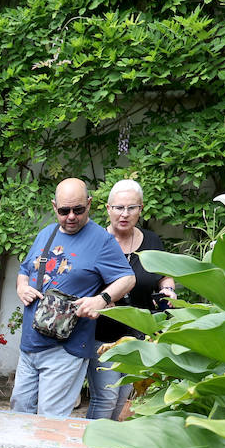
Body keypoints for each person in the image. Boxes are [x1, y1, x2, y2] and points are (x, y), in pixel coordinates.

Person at [9, 179, 135, 418]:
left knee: (50, 422)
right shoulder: (47, 232)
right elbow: (25, 269)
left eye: (78, 210)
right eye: (64, 211)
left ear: (89, 204)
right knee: (18, 415)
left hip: (66, 348)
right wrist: (22, 286)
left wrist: (101, 299)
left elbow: (127, 279)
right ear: (54, 206)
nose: (71, 217)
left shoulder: (102, 241)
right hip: (30, 345)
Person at [88, 179, 176, 419]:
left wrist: (168, 288)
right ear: (108, 208)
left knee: (122, 397)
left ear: (141, 209)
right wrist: (103, 298)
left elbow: (164, 274)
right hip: (101, 335)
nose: (124, 214)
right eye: (118, 208)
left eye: (131, 208)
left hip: (137, 337)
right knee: (105, 396)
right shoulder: (94, 240)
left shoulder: (152, 241)